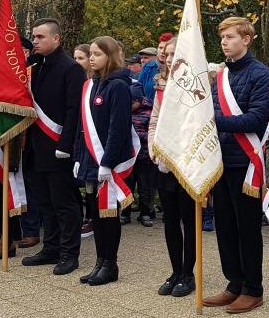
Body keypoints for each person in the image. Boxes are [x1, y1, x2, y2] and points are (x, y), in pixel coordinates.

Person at [202, 17, 269, 314]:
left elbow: (256, 119)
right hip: (220, 160)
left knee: (246, 228)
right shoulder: (220, 75)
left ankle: (252, 288)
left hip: (246, 163)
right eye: (222, 37)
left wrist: (212, 120)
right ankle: (234, 283)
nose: (224, 42)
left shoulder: (261, 75)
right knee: (225, 228)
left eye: (230, 36)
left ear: (247, 39)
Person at [22, 18, 84, 275]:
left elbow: (74, 111)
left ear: (56, 39)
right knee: (44, 201)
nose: (35, 41)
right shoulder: (34, 67)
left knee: (64, 203)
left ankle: (69, 254)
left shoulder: (71, 68)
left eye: (40, 37)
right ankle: (51, 248)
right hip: (35, 145)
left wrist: (65, 144)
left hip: (59, 146)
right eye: (34, 37)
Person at [73, 36, 136, 286]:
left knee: (108, 213)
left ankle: (110, 264)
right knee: (95, 214)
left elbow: (117, 128)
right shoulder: (90, 85)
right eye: (91, 54)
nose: (92, 58)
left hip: (108, 162)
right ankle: (99, 261)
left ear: (110, 56)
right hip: (89, 159)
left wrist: (107, 162)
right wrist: (78, 156)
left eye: (98, 54)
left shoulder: (119, 86)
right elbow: (81, 125)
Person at [149, 37, 198, 297]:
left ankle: (188, 273)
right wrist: (156, 152)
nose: (168, 58)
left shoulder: (194, 85)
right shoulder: (161, 84)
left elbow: (195, 125)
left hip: (187, 164)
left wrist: (180, 156)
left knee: (189, 221)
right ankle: (175, 270)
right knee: (170, 221)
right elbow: (155, 121)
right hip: (164, 163)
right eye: (166, 55)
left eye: (173, 54)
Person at [122, 82, 155, 227]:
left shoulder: (149, 112)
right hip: (128, 156)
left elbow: (152, 132)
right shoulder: (123, 111)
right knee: (127, 185)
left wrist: (138, 137)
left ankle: (145, 213)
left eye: (133, 102)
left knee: (144, 186)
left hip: (143, 156)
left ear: (140, 100)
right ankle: (125, 213)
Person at [139, 33, 173, 101]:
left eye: (165, 48)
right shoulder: (148, 67)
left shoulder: (179, 68)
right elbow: (138, 87)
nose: (162, 51)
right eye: (160, 48)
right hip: (150, 109)